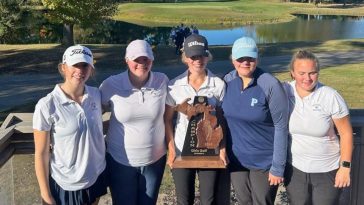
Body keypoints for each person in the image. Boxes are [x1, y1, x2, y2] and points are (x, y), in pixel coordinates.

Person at [33, 45, 107, 205]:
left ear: (91, 69)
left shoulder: (95, 94)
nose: (80, 70)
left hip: (96, 174)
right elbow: (41, 154)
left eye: (85, 65)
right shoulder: (47, 105)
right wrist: (46, 195)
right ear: (63, 67)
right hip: (67, 184)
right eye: (75, 65)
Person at [99, 39, 169, 205]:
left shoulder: (162, 81)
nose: (141, 63)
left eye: (146, 59)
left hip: (154, 160)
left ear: (152, 60)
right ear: (127, 60)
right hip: (120, 160)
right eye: (136, 59)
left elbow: (177, 104)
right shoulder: (111, 84)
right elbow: (94, 109)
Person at [222, 36, 288, 205]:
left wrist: (277, 167)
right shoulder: (227, 81)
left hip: (263, 162)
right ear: (233, 59)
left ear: (257, 59)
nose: (245, 62)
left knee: (261, 202)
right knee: (244, 201)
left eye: (250, 58)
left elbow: (281, 126)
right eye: (240, 58)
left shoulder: (270, 84)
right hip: (236, 160)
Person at [283, 50, 353, 205]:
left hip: (327, 170)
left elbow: (346, 133)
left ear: (318, 73)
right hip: (295, 170)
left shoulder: (330, 96)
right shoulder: (284, 91)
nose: (307, 78)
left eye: (312, 73)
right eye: (301, 73)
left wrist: (345, 167)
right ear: (292, 73)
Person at [164, 34, 227, 205]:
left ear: (208, 56)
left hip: (210, 150)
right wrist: (171, 151)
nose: (198, 60)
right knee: (184, 200)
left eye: (202, 55)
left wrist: (222, 149)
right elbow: (167, 120)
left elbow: (222, 120)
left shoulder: (218, 85)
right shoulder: (174, 86)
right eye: (193, 56)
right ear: (185, 58)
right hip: (181, 150)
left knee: (209, 200)